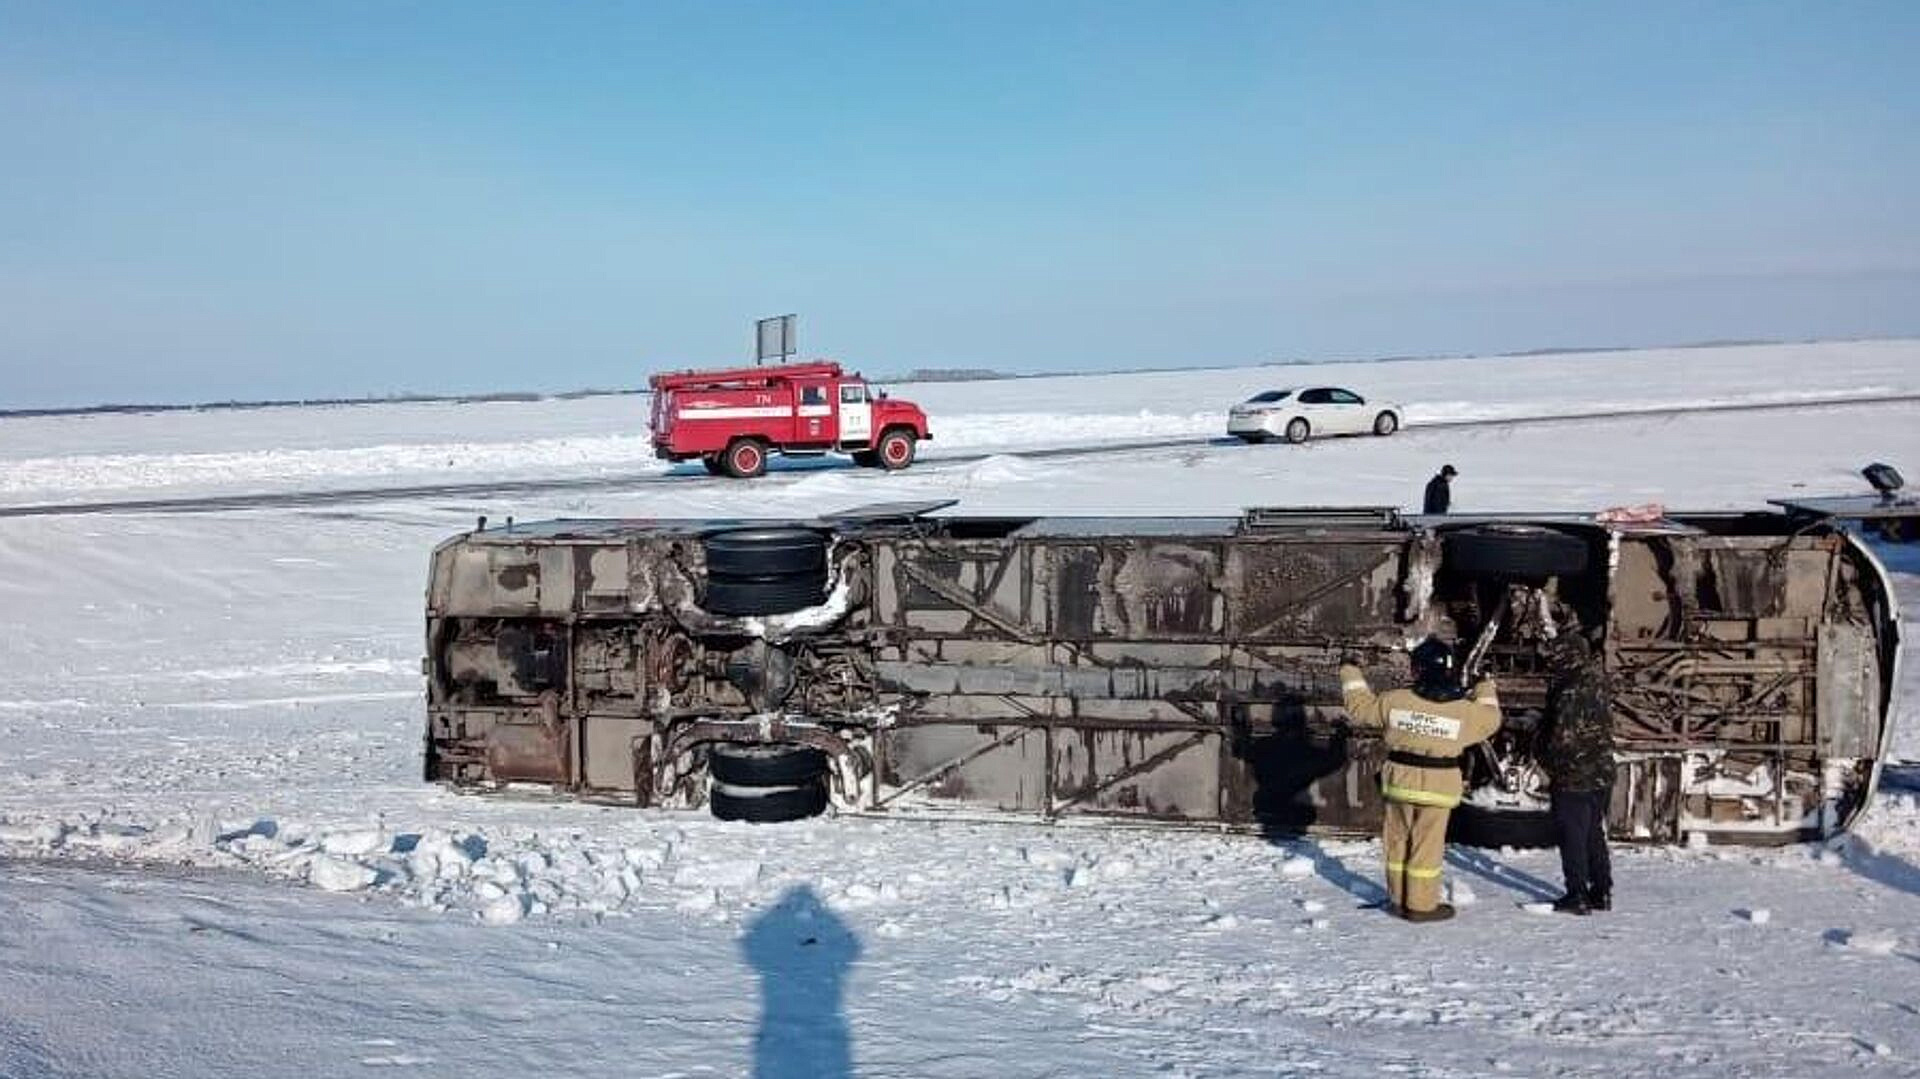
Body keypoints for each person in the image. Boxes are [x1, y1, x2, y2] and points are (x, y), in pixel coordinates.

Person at [1340, 638, 1502, 922]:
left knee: (1397, 842)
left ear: (1417, 670)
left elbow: (1360, 708)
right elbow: (1491, 720)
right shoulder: (1464, 711)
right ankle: (1421, 906)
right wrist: (1485, 685)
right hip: (1439, 788)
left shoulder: (1395, 701)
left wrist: (1350, 670)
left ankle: (1397, 899)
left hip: (1399, 784)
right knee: (1426, 846)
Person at [1540, 630, 1615, 915]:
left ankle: (1577, 894)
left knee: (1573, 835)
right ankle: (1602, 891)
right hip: (1602, 771)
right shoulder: (1598, 681)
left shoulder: (1568, 689)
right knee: (1594, 833)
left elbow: (1563, 737)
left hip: (1574, 775)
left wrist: (1546, 761)